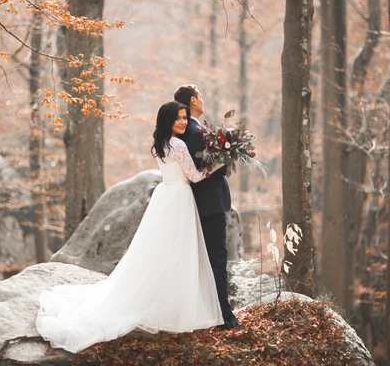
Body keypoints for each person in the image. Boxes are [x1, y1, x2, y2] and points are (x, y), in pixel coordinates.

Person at [35, 101, 225, 354]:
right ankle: (176, 309)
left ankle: (164, 302)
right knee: (179, 252)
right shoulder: (178, 145)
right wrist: (220, 162)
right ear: (168, 120)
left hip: (166, 196)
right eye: (178, 118)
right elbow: (194, 176)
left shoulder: (161, 144)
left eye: (184, 117)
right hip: (178, 198)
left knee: (161, 252)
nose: (182, 122)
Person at [174, 84, 242, 331]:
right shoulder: (193, 131)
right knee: (217, 259)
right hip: (209, 203)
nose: (203, 101)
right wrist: (226, 159)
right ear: (193, 100)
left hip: (202, 202)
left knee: (208, 259)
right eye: (200, 97)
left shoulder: (190, 128)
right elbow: (203, 166)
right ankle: (224, 317)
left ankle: (212, 312)